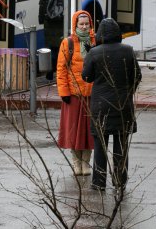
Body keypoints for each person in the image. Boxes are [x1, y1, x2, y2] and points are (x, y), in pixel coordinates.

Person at [82, 18, 142, 192]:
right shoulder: (128, 51)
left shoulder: (94, 53)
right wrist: (128, 91)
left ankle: (99, 182)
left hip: (100, 106)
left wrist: (88, 56)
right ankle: (120, 180)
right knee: (121, 145)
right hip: (123, 105)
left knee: (100, 145)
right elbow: (137, 76)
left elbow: (87, 77)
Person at [56, 10, 95, 176]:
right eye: (81, 24)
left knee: (89, 132)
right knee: (73, 131)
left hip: (92, 94)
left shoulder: (96, 42)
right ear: (75, 25)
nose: (85, 27)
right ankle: (76, 163)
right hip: (73, 94)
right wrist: (63, 91)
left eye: (87, 24)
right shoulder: (68, 43)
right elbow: (61, 69)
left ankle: (86, 163)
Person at [38, 0, 65, 80]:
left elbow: (42, 5)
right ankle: (59, 73)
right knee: (61, 48)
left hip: (49, 21)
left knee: (49, 48)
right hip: (62, 21)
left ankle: (49, 73)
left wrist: (41, 19)